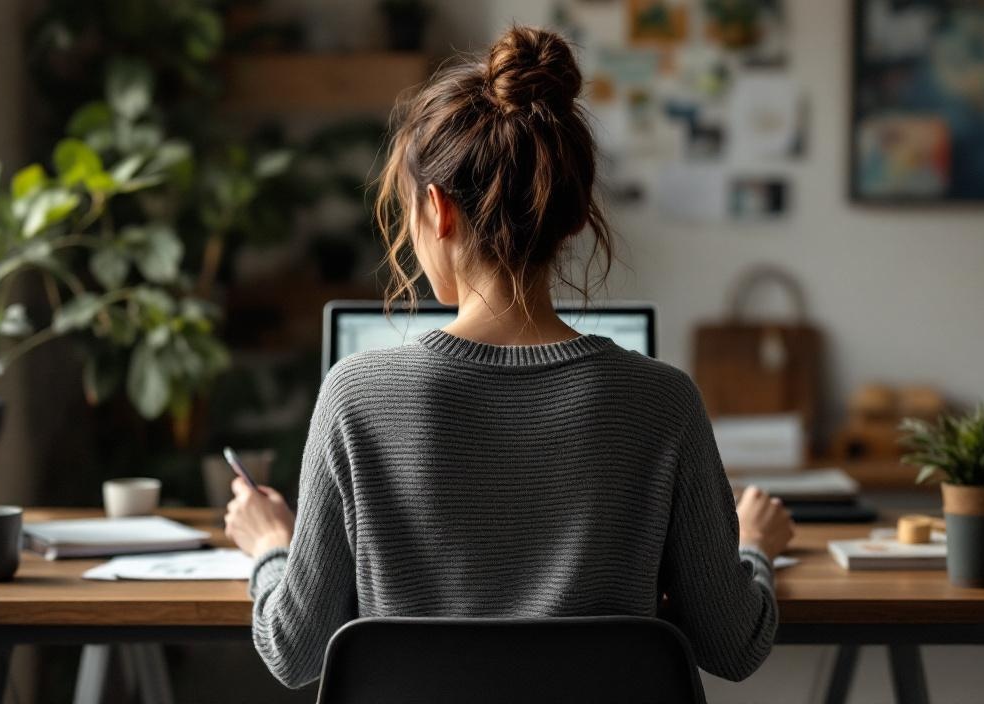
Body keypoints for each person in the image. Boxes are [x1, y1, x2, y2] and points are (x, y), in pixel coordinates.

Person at [223, 24, 795, 689]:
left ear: (436, 210)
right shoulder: (662, 401)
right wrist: (753, 547)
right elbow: (733, 646)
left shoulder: (357, 396)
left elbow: (293, 652)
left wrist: (270, 546)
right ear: (577, 215)